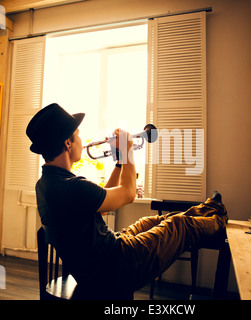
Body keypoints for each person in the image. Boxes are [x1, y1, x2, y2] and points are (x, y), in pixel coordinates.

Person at [26, 103, 228, 299]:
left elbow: (102, 204)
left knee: (151, 222)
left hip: (99, 262)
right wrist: (128, 150)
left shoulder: (48, 183)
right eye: (78, 136)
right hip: (115, 268)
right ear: (67, 143)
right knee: (178, 225)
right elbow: (129, 193)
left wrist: (121, 161)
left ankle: (210, 208)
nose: (82, 141)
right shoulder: (69, 186)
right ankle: (220, 218)